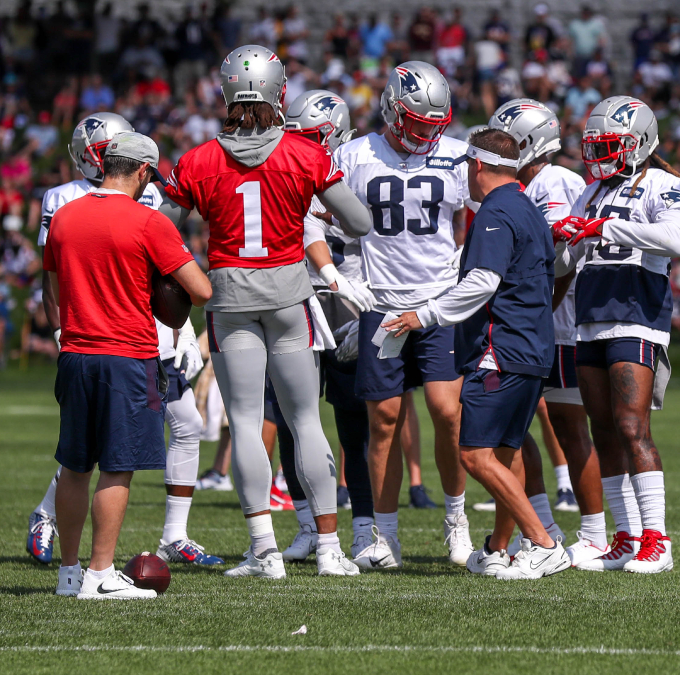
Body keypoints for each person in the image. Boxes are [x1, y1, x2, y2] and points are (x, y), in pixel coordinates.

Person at [160, 45, 373, 579]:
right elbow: (361, 223)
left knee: (250, 425)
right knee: (306, 421)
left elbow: (160, 230)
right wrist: (310, 201)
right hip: (289, 298)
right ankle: (328, 549)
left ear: (226, 93)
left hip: (230, 301)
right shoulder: (305, 153)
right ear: (281, 92)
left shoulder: (199, 159)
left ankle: (265, 551)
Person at [27, 113, 221, 568]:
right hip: (124, 345)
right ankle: (78, 547)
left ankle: (168, 536)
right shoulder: (68, 201)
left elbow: (156, 275)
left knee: (182, 426)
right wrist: (60, 328)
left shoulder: (78, 211)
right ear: (139, 168)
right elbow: (192, 284)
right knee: (108, 455)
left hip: (138, 337)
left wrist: (183, 332)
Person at [387, 129, 569, 580]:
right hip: (532, 347)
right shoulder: (527, 207)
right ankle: (497, 548)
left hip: (501, 348)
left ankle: (545, 543)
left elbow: (483, 282)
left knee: (474, 456)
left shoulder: (495, 211)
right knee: (506, 453)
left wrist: (422, 316)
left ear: (478, 165)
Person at [331, 61, 474, 571]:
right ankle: (381, 532)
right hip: (381, 303)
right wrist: (347, 281)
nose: (426, 133)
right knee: (384, 419)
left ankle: (456, 518)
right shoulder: (354, 155)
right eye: (416, 122)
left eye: (433, 124)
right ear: (392, 108)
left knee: (447, 411)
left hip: (438, 303)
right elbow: (321, 222)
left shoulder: (457, 156)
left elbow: (482, 216)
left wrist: (469, 278)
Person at [552, 96, 680, 574]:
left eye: (611, 146)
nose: (600, 156)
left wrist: (607, 225)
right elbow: (568, 263)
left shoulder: (664, 184)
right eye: (596, 146)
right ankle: (627, 537)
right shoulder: (591, 191)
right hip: (589, 317)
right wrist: (565, 239)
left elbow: (677, 239)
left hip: (636, 314)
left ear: (640, 143)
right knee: (603, 429)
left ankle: (658, 538)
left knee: (633, 427)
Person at [487, 98, 609, 566]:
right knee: (519, 428)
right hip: (543, 322)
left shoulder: (554, 182)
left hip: (557, 325)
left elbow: (560, 255)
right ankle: (546, 527)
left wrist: (539, 312)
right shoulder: (532, 182)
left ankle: (593, 533)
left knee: (568, 429)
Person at [277, 89, 380, 561]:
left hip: (348, 299)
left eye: (314, 137)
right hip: (296, 296)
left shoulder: (360, 167)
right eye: (297, 135)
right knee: (290, 418)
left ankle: (363, 526)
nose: (304, 144)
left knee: (352, 420)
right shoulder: (282, 168)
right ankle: (306, 524)